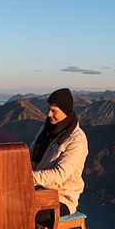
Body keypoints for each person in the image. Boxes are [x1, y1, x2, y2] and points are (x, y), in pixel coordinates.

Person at [30, 88, 89, 219]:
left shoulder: (77, 140)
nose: (48, 114)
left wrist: (29, 177)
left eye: (54, 111)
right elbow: (29, 155)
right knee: (6, 203)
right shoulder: (45, 129)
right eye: (48, 110)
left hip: (62, 198)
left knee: (26, 211)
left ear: (66, 112)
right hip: (38, 191)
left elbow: (60, 175)